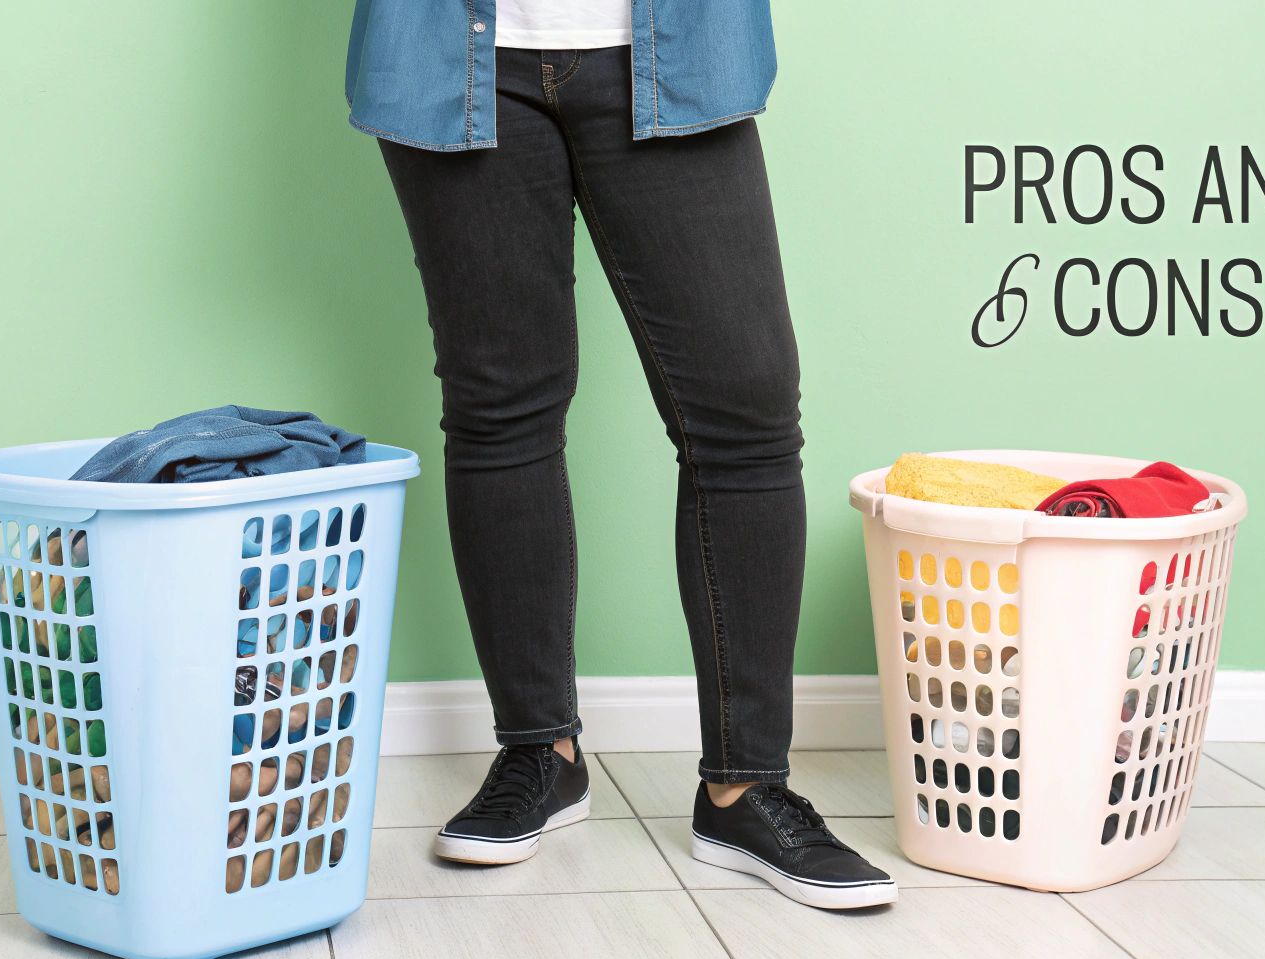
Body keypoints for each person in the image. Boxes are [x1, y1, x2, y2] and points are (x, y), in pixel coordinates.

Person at [347, 0, 895, 909]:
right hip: (445, 54)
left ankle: (746, 785)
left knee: (745, 407)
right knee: (499, 405)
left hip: (680, 46)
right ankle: (539, 753)